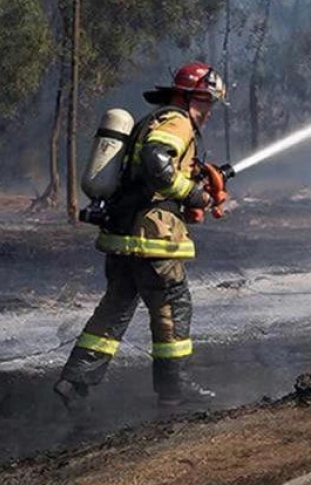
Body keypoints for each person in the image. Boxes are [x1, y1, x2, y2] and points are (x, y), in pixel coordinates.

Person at [54, 62, 228, 409]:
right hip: (152, 238)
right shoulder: (177, 121)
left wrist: (193, 183)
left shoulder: (154, 120)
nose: (209, 111)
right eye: (207, 101)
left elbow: (153, 170)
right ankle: (174, 389)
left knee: (115, 307)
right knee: (172, 307)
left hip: (123, 233)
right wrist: (195, 195)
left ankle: (75, 380)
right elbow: (156, 162)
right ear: (187, 96)